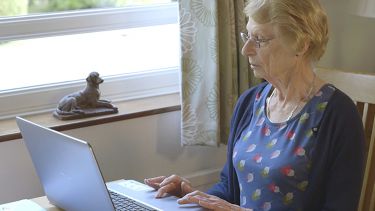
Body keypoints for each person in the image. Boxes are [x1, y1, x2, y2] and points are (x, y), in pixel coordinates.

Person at [144, 0, 365, 210]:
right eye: (247, 36)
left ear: (301, 43)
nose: (246, 49)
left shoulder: (339, 116)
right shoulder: (250, 102)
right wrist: (194, 197)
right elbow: (229, 189)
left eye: (260, 39)